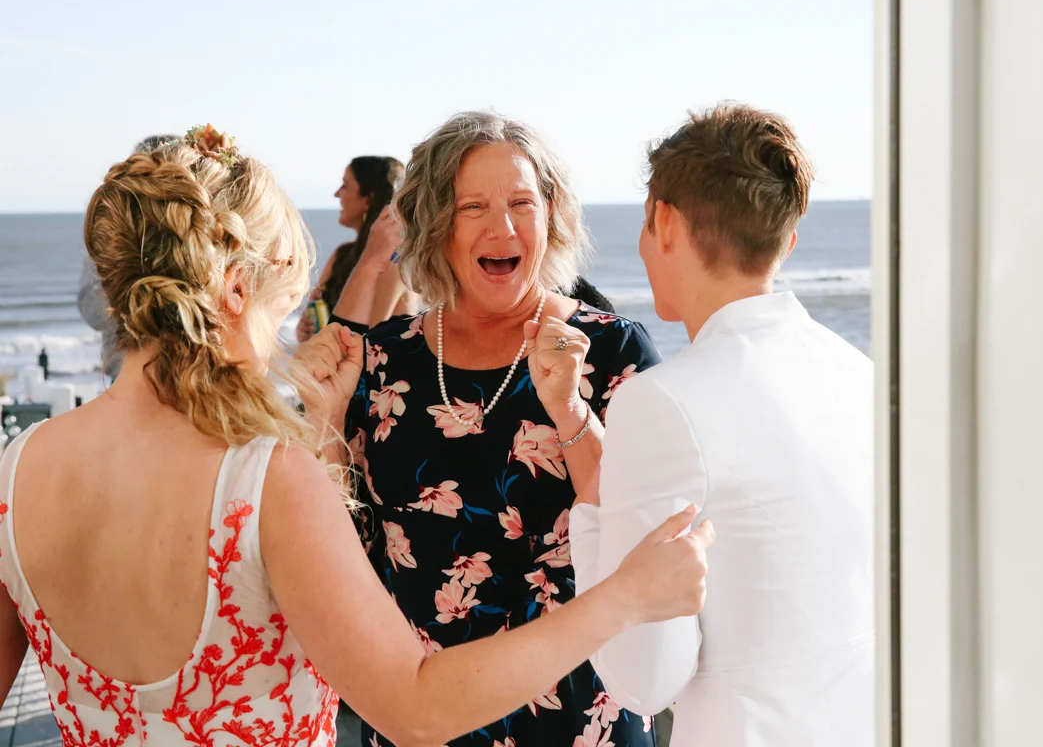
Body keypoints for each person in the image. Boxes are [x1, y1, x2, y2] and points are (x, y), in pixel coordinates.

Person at [0, 124, 715, 747]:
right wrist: (623, 601)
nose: (283, 337)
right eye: (283, 307)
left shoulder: (16, 469)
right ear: (235, 295)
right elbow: (413, 703)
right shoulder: (267, 477)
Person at [329, 112, 664, 747]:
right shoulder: (385, 359)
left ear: (551, 213)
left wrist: (571, 413)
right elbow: (346, 542)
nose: (501, 226)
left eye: (521, 202)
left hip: (577, 718)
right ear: (433, 224)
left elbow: (645, 537)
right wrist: (322, 420)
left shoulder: (611, 350)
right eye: (471, 206)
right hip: (423, 718)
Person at [568, 104, 875, 747]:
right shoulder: (859, 374)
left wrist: (591, 509)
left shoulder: (660, 404)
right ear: (785, 243)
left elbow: (640, 680)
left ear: (664, 221)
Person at [77, 133, 178, 381]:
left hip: (188, 376)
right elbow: (92, 312)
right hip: (125, 373)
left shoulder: (196, 234)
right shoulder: (108, 235)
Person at [295, 157, 416, 343]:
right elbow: (313, 311)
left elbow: (371, 344)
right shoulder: (341, 255)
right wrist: (304, 329)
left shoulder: (394, 264)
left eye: (345, 186)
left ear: (368, 199)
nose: (336, 194)